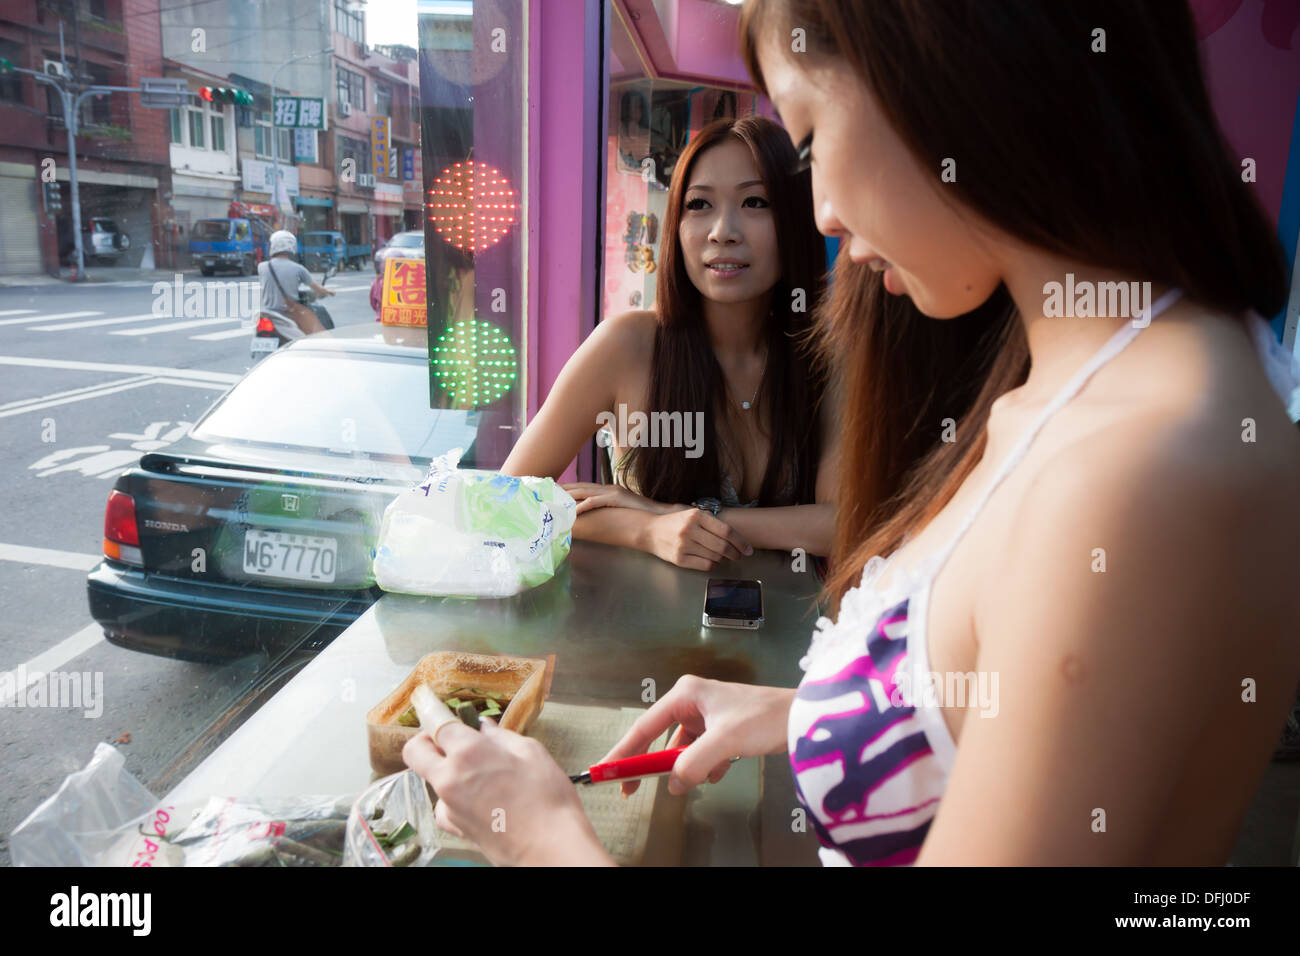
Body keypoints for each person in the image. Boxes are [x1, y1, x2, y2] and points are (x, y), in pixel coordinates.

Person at [404, 0, 1300, 866]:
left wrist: (545, 841)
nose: (825, 211)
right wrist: (809, 712)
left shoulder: (1128, 461)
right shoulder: (1086, 387)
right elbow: (985, 703)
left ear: (938, 76)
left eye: (807, 145)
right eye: (699, 207)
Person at [501, 115, 837, 569]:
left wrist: (673, 513)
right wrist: (644, 530)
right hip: (640, 632)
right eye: (699, 205)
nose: (723, 230)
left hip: (791, 634)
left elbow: (842, 523)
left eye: (755, 201)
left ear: (796, 217)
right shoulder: (627, 345)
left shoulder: (826, 354)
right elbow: (506, 499)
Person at [258, 229, 335, 338]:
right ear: (291, 246)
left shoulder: (262, 267)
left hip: (266, 314)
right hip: (288, 315)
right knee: (308, 338)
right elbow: (317, 289)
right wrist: (329, 291)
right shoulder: (298, 269)